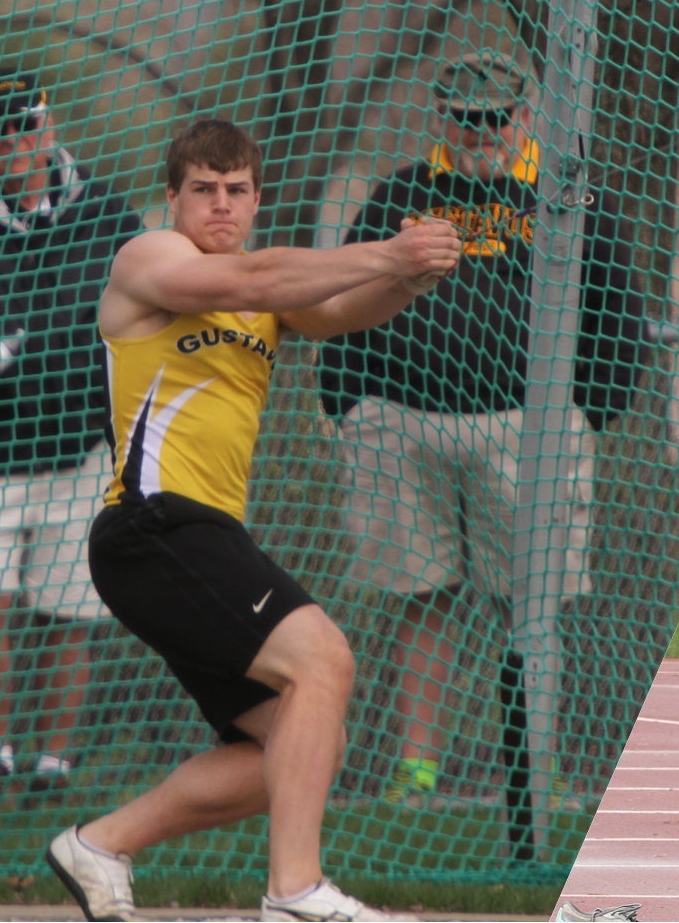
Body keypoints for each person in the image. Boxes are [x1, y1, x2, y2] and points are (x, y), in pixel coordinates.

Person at [42, 118, 461, 922]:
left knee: (308, 740)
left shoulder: (257, 294)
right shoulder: (151, 259)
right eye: (203, 189)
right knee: (323, 660)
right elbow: (264, 281)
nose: (221, 205)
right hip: (154, 524)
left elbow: (339, 310)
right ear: (173, 198)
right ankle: (295, 891)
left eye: (237, 191)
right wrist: (388, 250)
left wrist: (414, 273)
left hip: (198, 536)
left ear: (256, 199)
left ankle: (100, 843)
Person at [320, 51, 645, 806]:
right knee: (420, 597)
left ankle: (534, 770)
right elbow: (346, 291)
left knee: (527, 606)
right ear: (441, 118)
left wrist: (581, 414)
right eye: (465, 120)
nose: (480, 134)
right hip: (402, 426)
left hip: (528, 430)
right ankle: (417, 770)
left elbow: (617, 315)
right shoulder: (402, 194)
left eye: (496, 119)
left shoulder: (565, 194)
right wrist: (350, 405)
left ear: (524, 117)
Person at [0, 68, 141, 794]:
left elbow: (135, 294)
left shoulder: (104, 211)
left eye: (25, 126)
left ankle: (52, 765)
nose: (13, 142)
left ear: (49, 126)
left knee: (64, 611)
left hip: (77, 448)